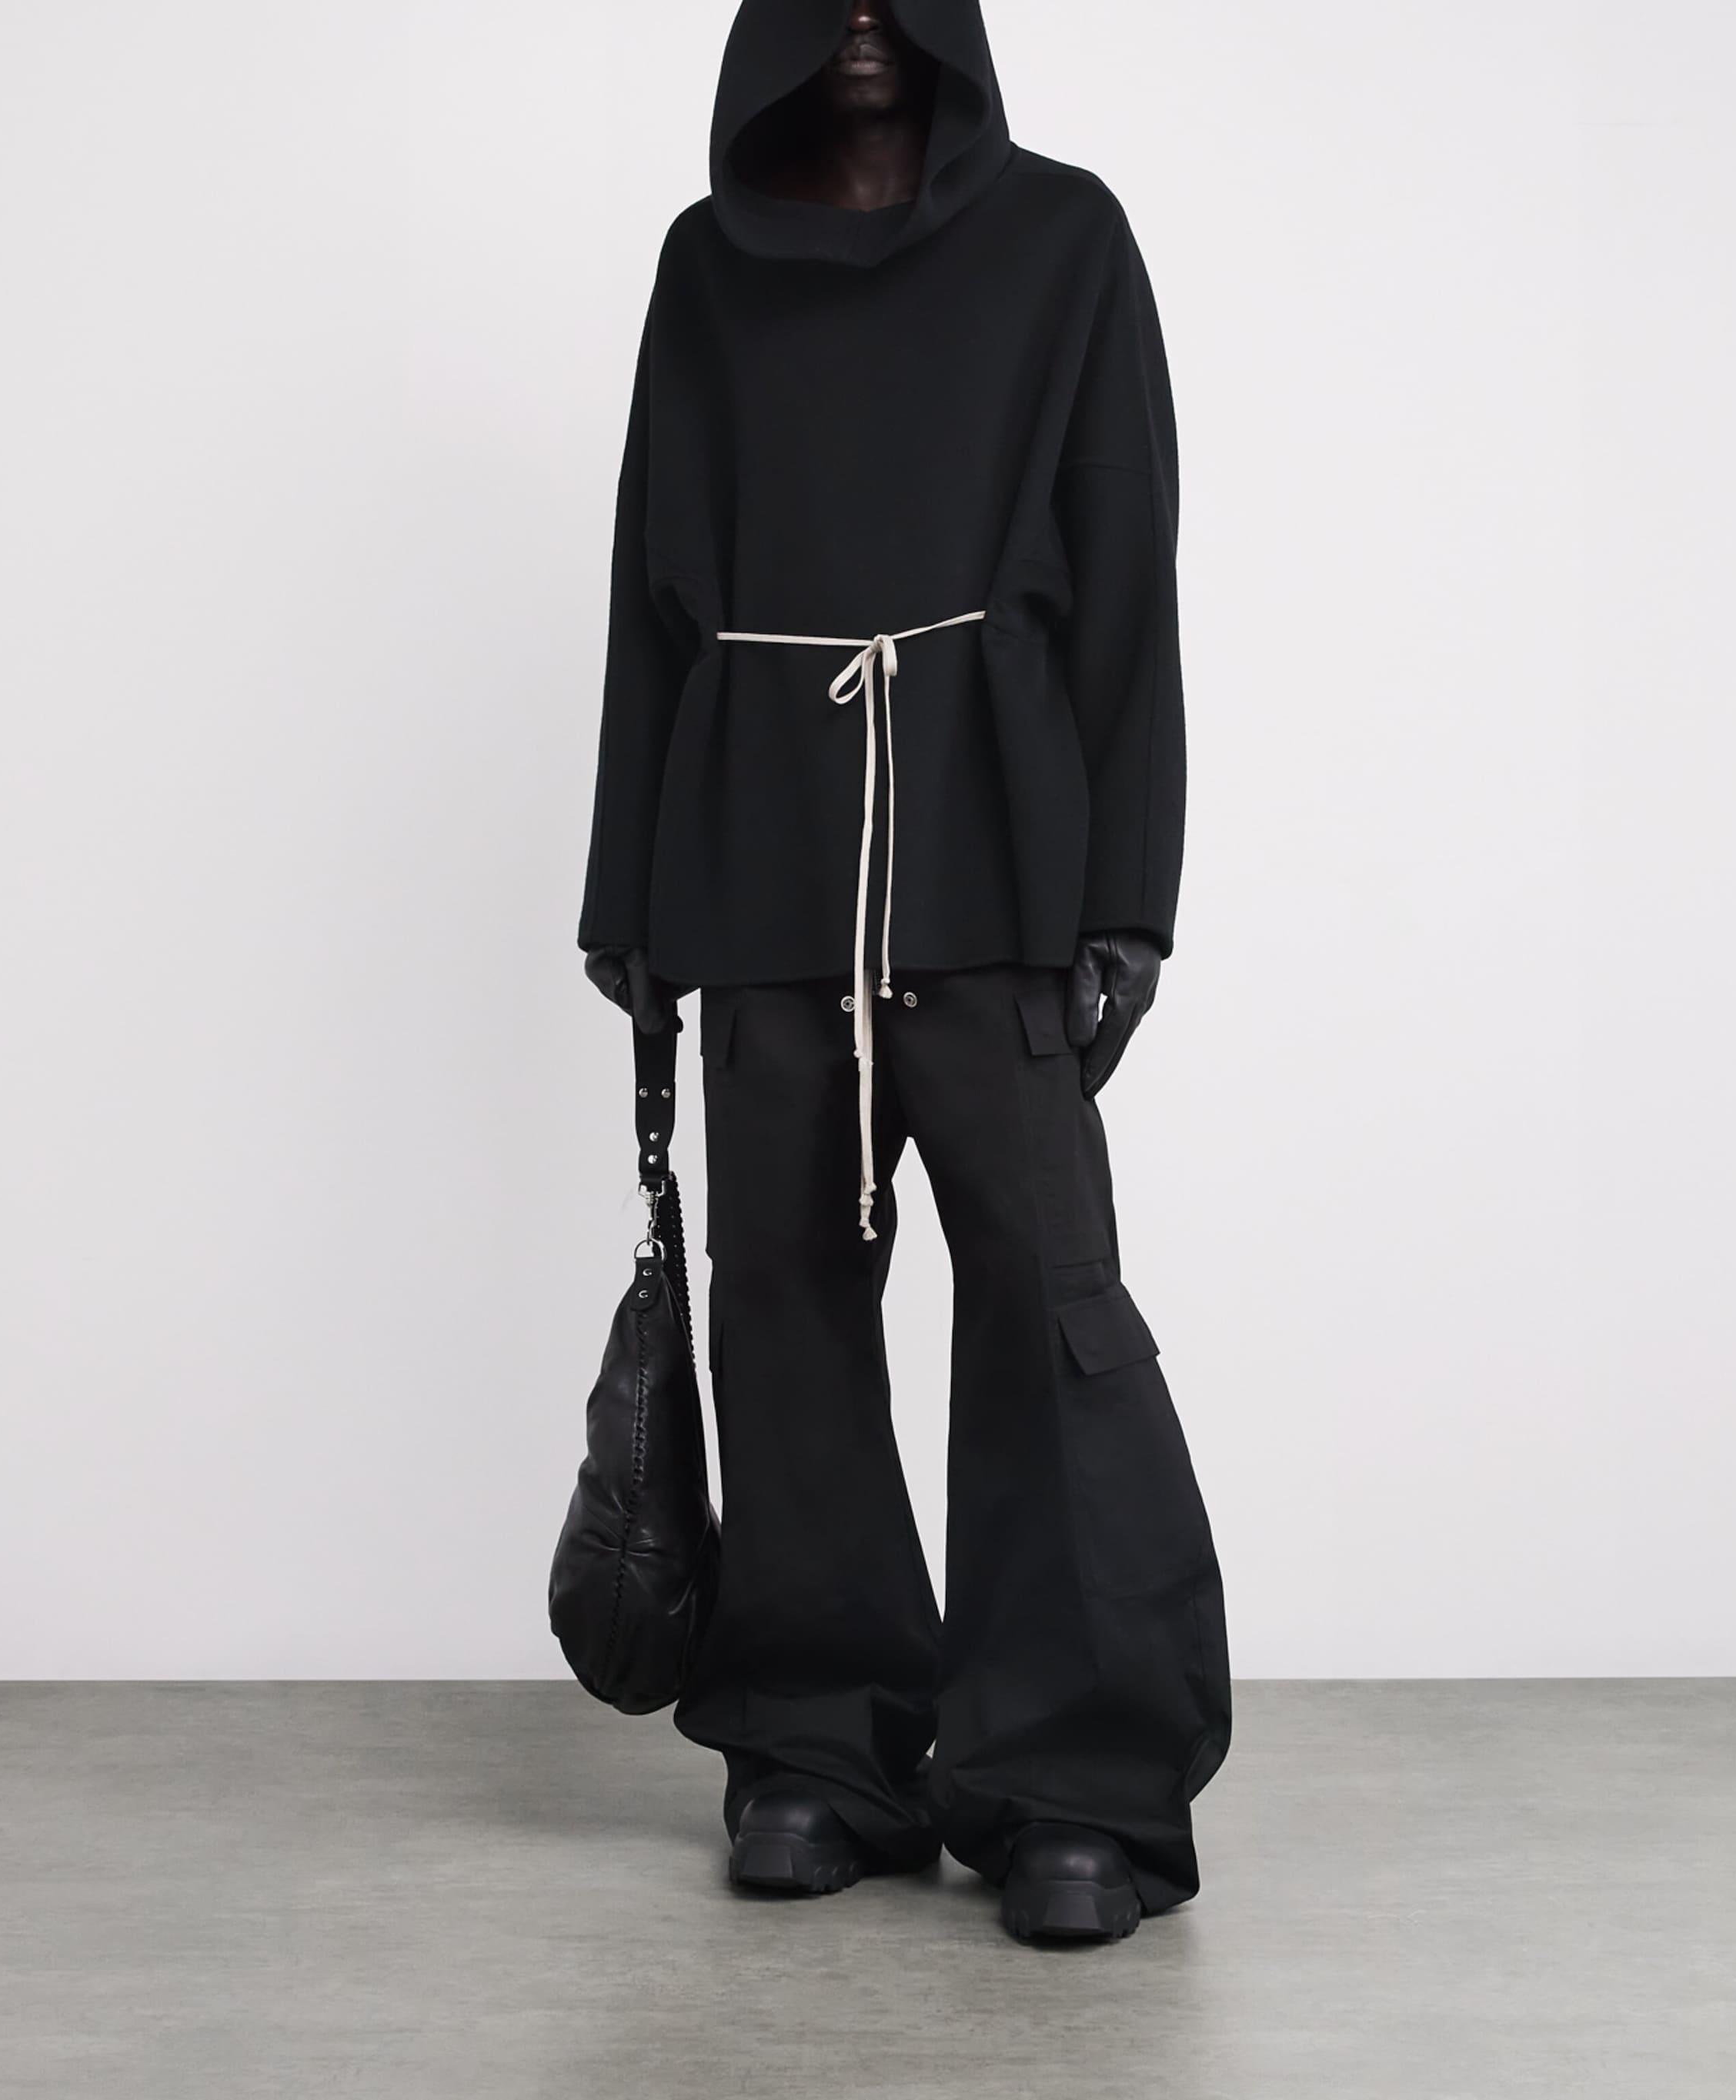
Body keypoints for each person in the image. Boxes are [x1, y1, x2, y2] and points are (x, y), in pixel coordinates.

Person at [579, 0, 1230, 1946]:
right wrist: (631, 891)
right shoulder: (707, 265)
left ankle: (1075, 1776)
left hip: (994, 846)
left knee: (1046, 1304)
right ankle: (818, 1744)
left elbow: (1127, 569)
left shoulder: (1064, 239)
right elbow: (649, 581)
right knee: (780, 1301)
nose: (860, 12)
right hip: (760, 844)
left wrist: (1128, 895)